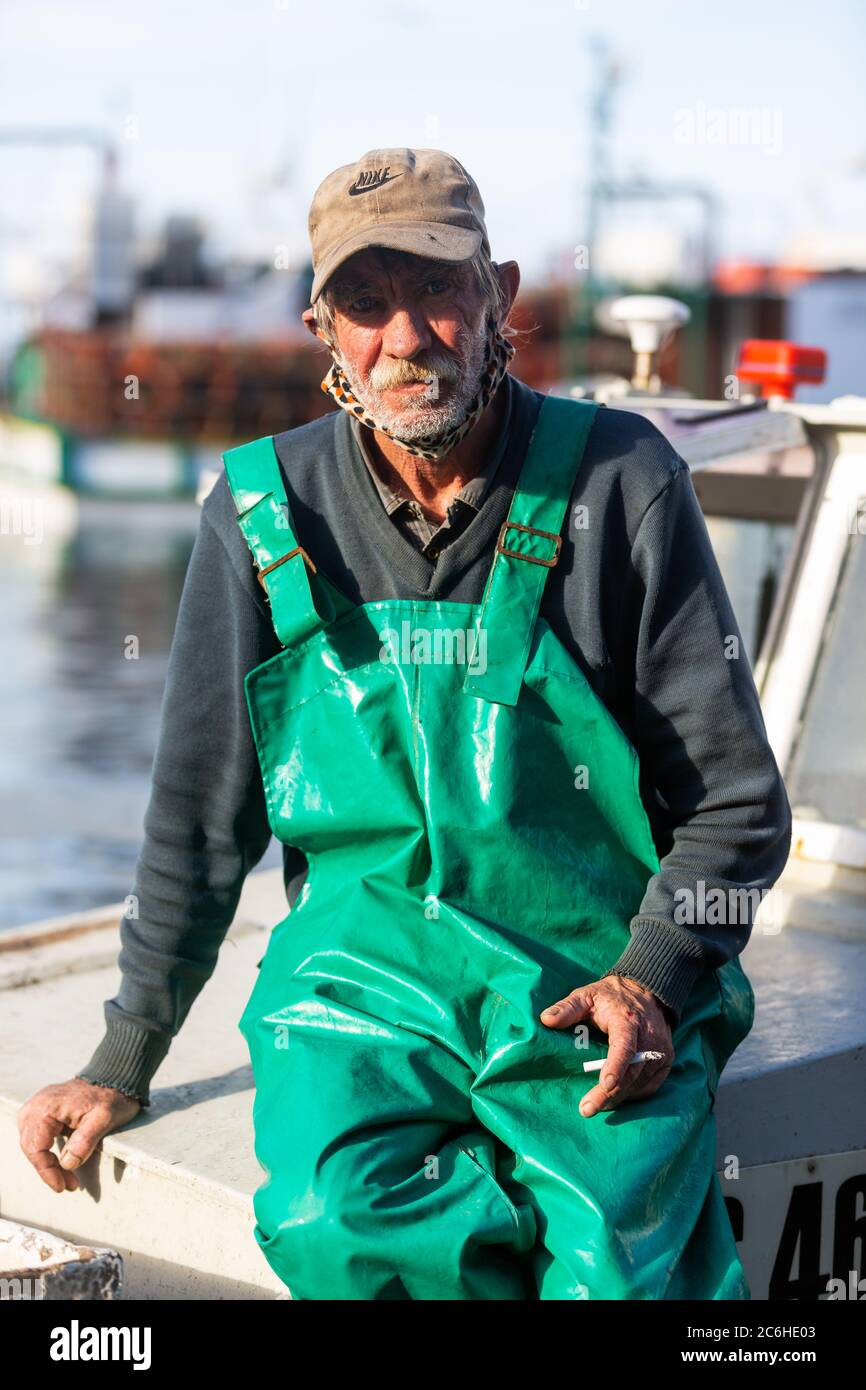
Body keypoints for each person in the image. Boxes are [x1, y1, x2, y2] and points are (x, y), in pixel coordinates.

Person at [18, 147, 792, 1300]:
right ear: (321, 328)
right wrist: (123, 1054)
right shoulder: (256, 513)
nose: (406, 336)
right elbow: (198, 822)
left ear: (500, 297)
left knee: (616, 1267)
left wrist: (652, 974)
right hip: (356, 989)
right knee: (336, 1219)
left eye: (438, 289)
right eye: (365, 302)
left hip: (587, 983)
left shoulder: (622, 478)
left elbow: (735, 800)